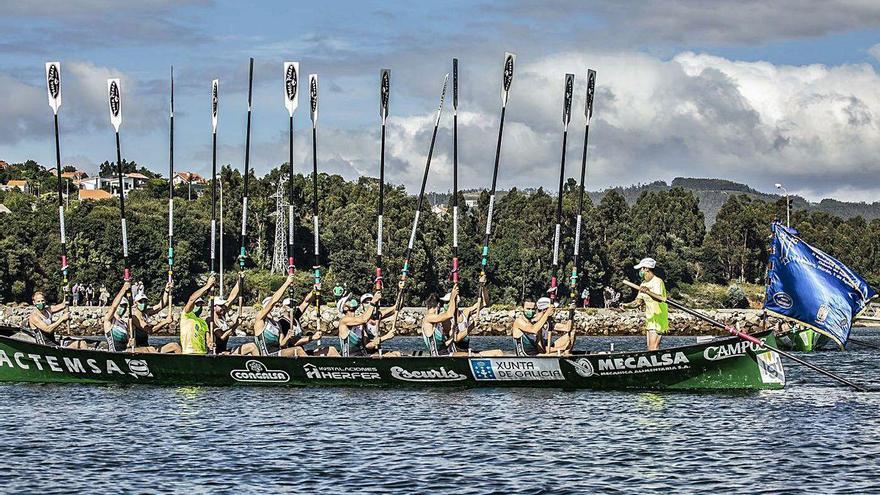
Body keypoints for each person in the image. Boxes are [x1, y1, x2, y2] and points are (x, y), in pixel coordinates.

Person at [621, 257, 668, 351]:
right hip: (650, 319)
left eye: (641, 269)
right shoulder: (643, 284)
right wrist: (626, 305)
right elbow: (638, 302)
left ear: (647, 268)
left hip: (659, 318)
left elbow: (660, 299)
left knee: (653, 348)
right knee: (649, 348)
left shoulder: (658, 281)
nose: (640, 271)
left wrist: (648, 291)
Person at [336, 291, 399, 357]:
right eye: (348, 301)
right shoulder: (344, 320)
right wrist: (373, 301)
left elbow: (396, 308)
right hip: (350, 359)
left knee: (396, 354)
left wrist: (400, 291)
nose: (351, 301)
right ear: (345, 308)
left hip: (363, 356)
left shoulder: (359, 322)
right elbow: (364, 319)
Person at [130, 281, 177, 353]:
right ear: (135, 303)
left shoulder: (146, 312)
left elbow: (161, 305)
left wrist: (166, 290)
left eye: (145, 301)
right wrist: (165, 321)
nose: (144, 303)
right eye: (141, 302)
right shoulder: (134, 317)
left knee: (175, 346)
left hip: (147, 347)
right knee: (151, 349)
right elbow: (149, 331)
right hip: (136, 349)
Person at [179, 275, 216, 354]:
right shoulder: (186, 315)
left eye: (200, 305)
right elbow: (192, 299)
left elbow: (208, 338)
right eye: (197, 304)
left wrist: (210, 343)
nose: (199, 306)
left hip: (202, 353)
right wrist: (207, 286)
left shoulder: (203, 322)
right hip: (189, 352)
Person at [209, 272, 244, 354]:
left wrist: (240, 280)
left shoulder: (222, 313)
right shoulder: (210, 320)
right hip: (215, 353)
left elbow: (232, 296)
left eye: (223, 306)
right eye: (220, 306)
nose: (223, 308)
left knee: (251, 346)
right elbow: (222, 337)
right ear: (213, 307)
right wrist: (236, 324)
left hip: (224, 350)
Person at [103, 281, 133, 352]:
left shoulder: (125, 324)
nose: (124, 308)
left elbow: (127, 345)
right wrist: (124, 289)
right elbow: (114, 306)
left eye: (125, 306)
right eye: (122, 306)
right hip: (114, 353)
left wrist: (131, 343)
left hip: (124, 353)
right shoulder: (109, 320)